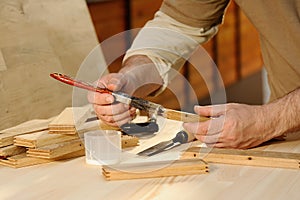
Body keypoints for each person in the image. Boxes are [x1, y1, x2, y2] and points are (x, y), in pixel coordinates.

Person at [88, 0, 300, 149]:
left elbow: (270, 121)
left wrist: (270, 120)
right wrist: (131, 78)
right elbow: (176, 26)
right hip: (290, 144)